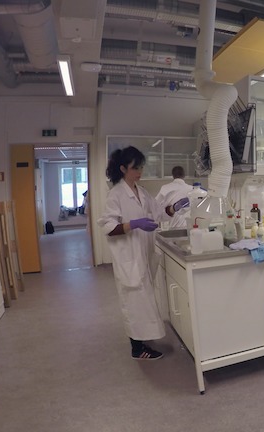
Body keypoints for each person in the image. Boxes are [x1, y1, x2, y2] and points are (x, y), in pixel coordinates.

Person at [97, 146, 185, 360]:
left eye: (141, 167)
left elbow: (158, 213)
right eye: (135, 168)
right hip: (129, 257)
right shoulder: (116, 194)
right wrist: (134, 224)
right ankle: (137, 349)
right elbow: (108, 227)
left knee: (143, 301)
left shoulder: (142, 192)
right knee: (133, 302)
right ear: (122, 169)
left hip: (143, 254)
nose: (139, 172)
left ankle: (142, 340)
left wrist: (174, 208)